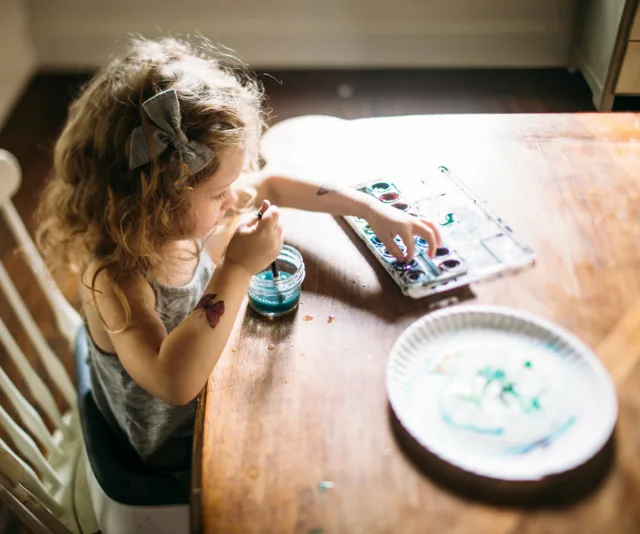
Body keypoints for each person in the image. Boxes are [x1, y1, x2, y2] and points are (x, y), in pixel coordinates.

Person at [36, 36, 441, 472]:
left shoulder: (171, 217)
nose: (233, 198)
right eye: (218, 193)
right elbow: (174, 383)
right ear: (155, 198)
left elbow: (270, 185)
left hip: (211, 384)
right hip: (175, 450)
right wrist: (237, 266)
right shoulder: (116, 278)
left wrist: (367, 208)